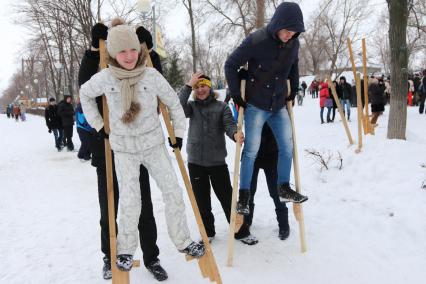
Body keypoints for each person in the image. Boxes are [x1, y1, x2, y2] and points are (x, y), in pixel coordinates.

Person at [80, 19, 205, 273]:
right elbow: (84, 92)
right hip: (124, 149)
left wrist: (178, 133)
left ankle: (183, 240)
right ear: (113, 52)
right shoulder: (105, 77)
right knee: (130, 200)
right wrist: (98, 124)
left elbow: (173, 103)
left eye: (133, 49)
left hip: (153, 144)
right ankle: (125, 250)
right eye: (122, 51)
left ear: (140, 49)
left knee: (173, 191)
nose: (128, 56)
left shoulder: (151, 73)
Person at [78, 22, 170, 281]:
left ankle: (152, 257)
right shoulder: (103, 67)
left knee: (143, 206)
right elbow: (84, 85)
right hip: (107, 149)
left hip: (137, 148)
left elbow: (155, 83)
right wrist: (94, 51)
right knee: (109, 206)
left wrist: (148, 50)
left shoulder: (137, 65)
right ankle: (110, 256)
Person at [224, 2, 308, 216]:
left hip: (278, 104)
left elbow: (294, 66)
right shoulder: (257, 40)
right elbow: (230, 64)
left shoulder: (294, 44)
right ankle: (244, 195)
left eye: (294, 32)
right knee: (251, 151)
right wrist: (235, 93)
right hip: (256, 104)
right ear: (278, 24)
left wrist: (294, 87)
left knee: (287, 146)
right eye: (287, 30)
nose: (290, 35)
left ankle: (283, 187)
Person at [178, 72, 245, 243]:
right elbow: (177, 106)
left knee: (227, 198)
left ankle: (239, 230)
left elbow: (229, 125)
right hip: (195, 162)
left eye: (203, 86)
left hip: (216, 162)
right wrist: (187, 85)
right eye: (197, 87)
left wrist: (235, 134)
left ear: (210, 87)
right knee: (202, 201)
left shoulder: (221, 107)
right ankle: (208, 231)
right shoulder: (191, 107)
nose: (200, 90)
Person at [236, 124, 290, 242]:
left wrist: (289, 103)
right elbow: (240, 105)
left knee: (276, 191)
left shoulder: (275, 105)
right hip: (252, 153)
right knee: (248, 190)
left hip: (271, 153)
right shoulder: (251, 105)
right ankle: (246, 221)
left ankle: (284, 224)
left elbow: (285, 109)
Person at [75, 96, 93, 161]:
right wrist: (89, 128)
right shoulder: (79, 107)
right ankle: (81, 155)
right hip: (82, 128)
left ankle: (86, 155)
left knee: (89, 142)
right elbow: (81, 120)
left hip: (87, 128)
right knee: (86, 142)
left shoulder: (86, 106)